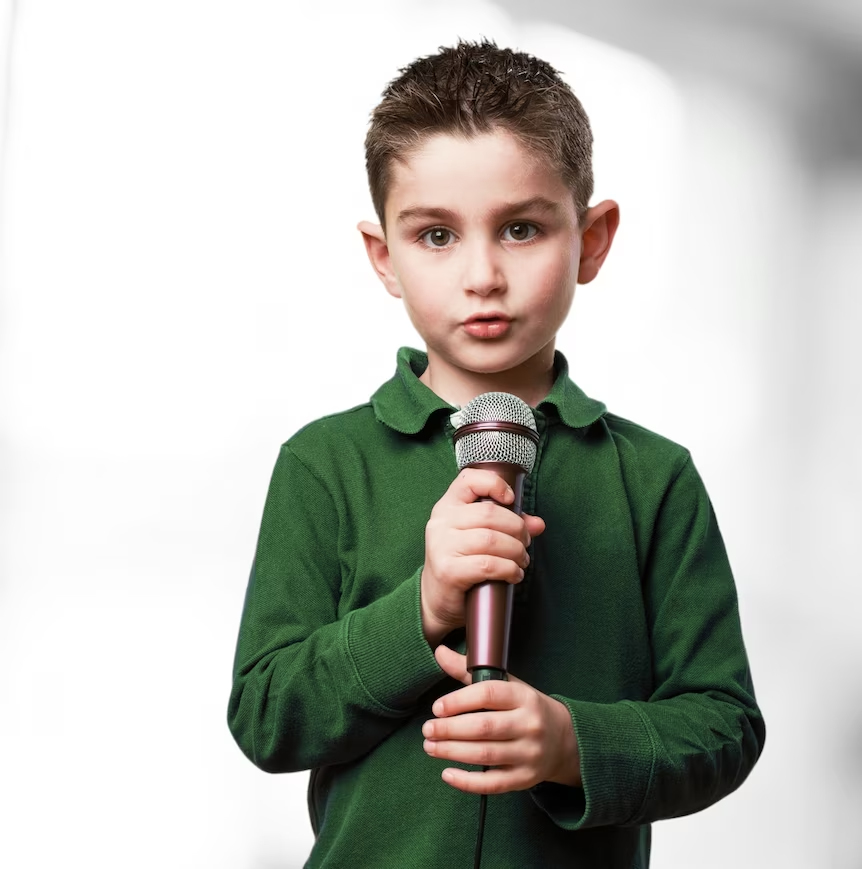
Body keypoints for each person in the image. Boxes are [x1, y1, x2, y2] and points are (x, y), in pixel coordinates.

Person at [226, 38, 765, 868]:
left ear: (591, 239)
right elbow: (267, 716)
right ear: (385, 259)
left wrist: (571, 742)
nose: (482, 274)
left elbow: (724, 724)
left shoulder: (656, 479)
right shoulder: (323, 463)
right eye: (436, 235)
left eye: (520, 228)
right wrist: (422, 607)